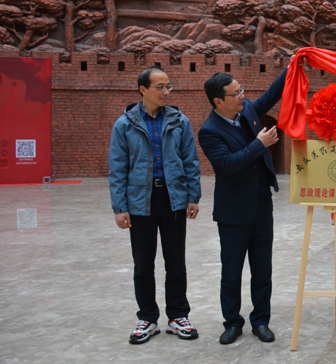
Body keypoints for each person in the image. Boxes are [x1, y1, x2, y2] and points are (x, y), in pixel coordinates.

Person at [108, 66, 202, 344]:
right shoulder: (124, 125)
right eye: (160, 86)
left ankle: (178, 316)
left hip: (173, 199)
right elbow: (117, 168)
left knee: (176, 262)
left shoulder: (179, 121)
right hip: (140, 202)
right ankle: (147, 318)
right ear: (143, 90)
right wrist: (119, 207)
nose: (166, 92)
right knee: (143, 264)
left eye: (168, 86)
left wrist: (193, 196)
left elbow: (190, 160)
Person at [198, 70, 286, 345]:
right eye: (235, 93)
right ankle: (232, 322)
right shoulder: (209, 131)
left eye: (241, 90)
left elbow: (271, 95)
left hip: (261, 205)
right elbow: (228, 164)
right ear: (218, 101)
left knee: (262, 269)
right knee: (231, 271)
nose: (242, 96)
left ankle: (260, 321)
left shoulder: (246, 109)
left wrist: (292, 67)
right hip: (233, 212)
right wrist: (260, 144)